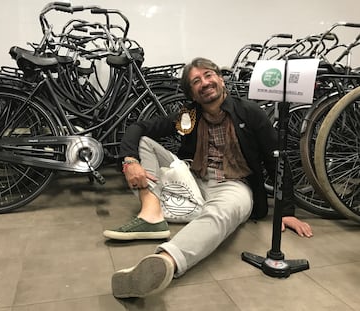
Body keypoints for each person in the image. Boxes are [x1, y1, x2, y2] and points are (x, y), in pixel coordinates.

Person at [103, 57, 313, 298]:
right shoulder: (189, 117)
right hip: (192, 180)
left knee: (220, 214)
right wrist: (129, 161)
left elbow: (276, 158)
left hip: (234, 185)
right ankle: (152, 214)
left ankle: (165, 262)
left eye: (208, 75)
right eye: (195, 81)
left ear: (220, 80)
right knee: (143, 144)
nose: (204, 82)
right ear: (192, 94)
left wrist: (285, 211)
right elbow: (140, 127)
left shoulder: (248, 112)